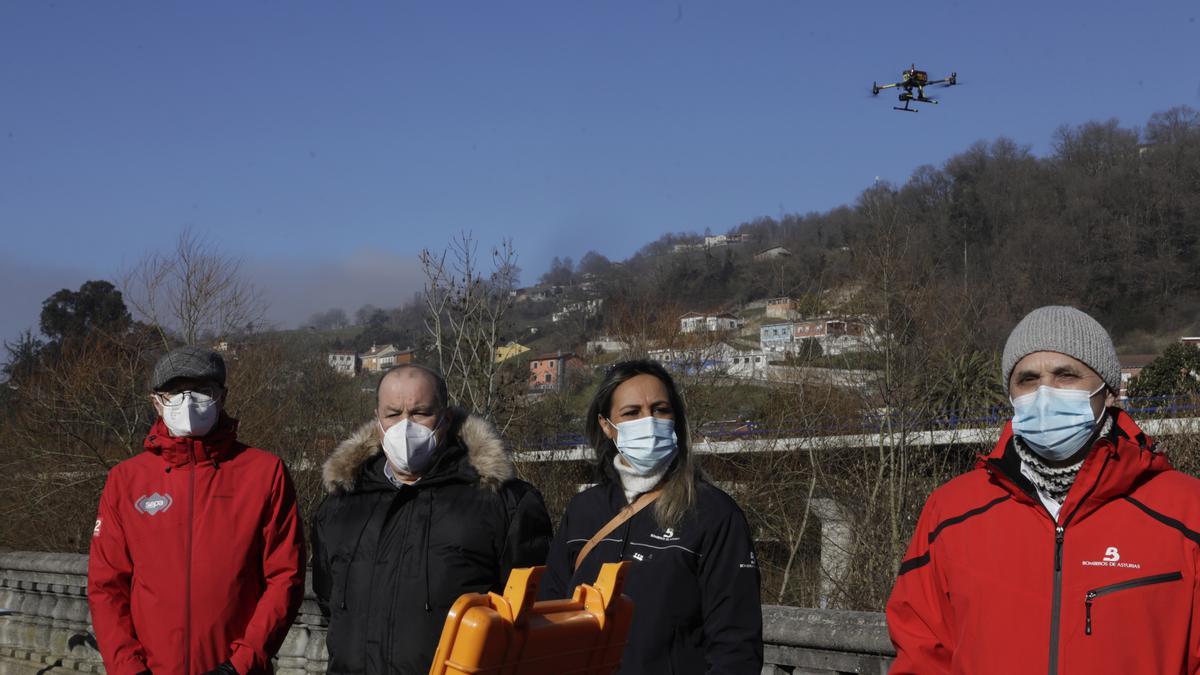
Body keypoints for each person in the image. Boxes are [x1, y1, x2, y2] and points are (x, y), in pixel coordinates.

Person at [887, 306, 1200, 674]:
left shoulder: (1186, 510)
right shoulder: (951, 511)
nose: (1044, 393)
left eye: (1066, 374)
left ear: (1109, 393)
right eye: (1028, 379)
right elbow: (921, 653)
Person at [312, 364, 552, 674]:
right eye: (393, 414)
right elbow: (329, 598)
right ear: (378, 420)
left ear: (446, 417)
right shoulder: (341, 504)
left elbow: (531, 612)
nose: (405, 426)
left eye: (420, 413)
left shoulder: (503, 502)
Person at [88, 346, 306, 675]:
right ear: (156, 401)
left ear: (222, 397)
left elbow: (285, 578)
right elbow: (106, 586)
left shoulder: (265, 473)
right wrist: (128, 669)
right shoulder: (125, 480)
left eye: (202, 390)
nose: (188, 402)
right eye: (176, 392)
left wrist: (241, 665)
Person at [539, 359, 763, 674]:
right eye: (632, 413)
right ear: (607, 426)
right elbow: (548, 617)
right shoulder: (582, 511)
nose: (649, 421)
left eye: (660, 409)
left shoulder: (713, 513)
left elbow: (736, 646)